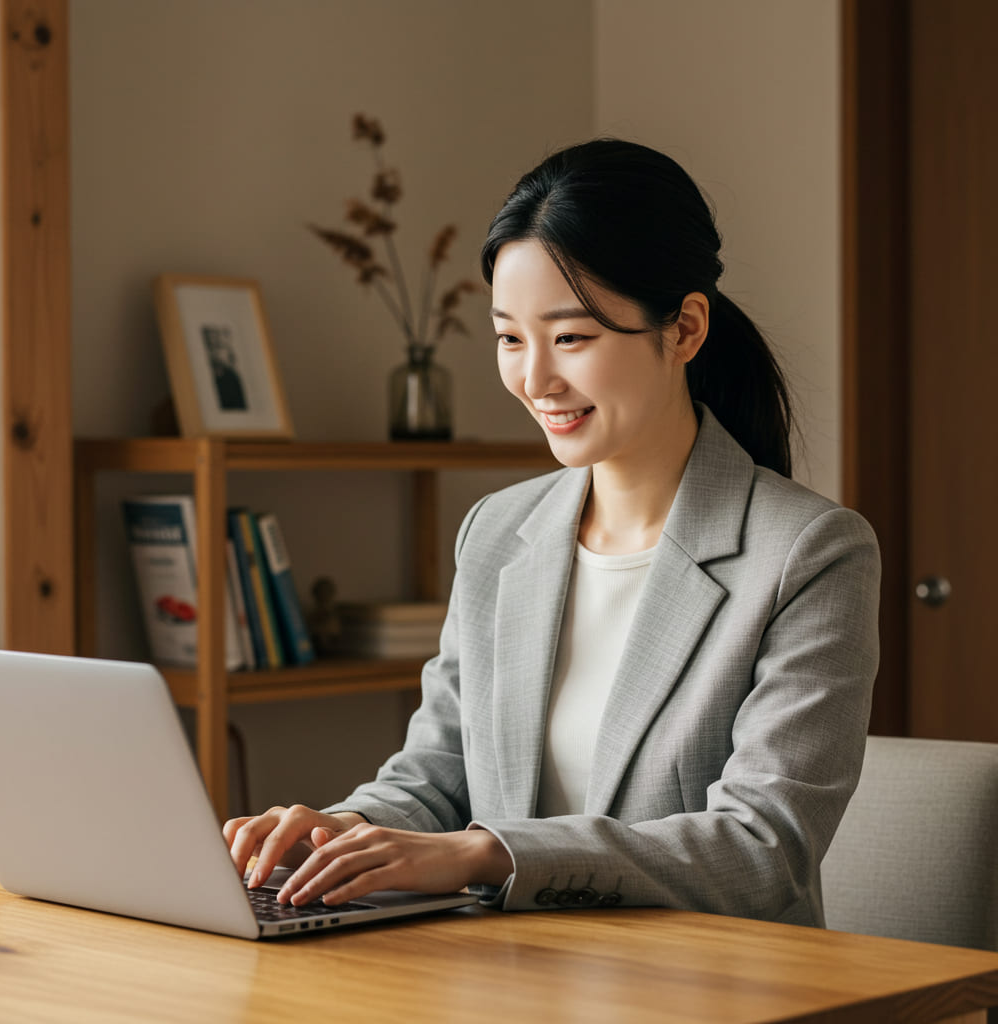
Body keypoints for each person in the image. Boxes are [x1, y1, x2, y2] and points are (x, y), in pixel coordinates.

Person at [223, 139, 880, 926]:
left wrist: (492, 853)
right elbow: (435, 777)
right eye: (509, 338)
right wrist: (341, 831)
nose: (535, 380)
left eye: (571, 338)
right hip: (510, 980)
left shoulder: (808, 553)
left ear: (685, 329)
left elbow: (761, 848)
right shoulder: (498, 532)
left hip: (712, 990)